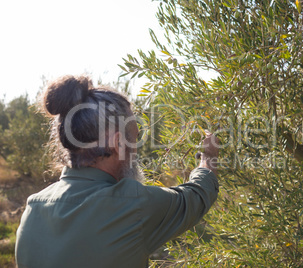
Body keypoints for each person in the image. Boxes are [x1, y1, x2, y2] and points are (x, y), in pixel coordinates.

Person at [15, 75, 219, 268]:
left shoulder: (33, 209)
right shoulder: (131, 205)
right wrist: (208, 157)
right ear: (118, 142)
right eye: (134, 137)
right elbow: (197, 195)